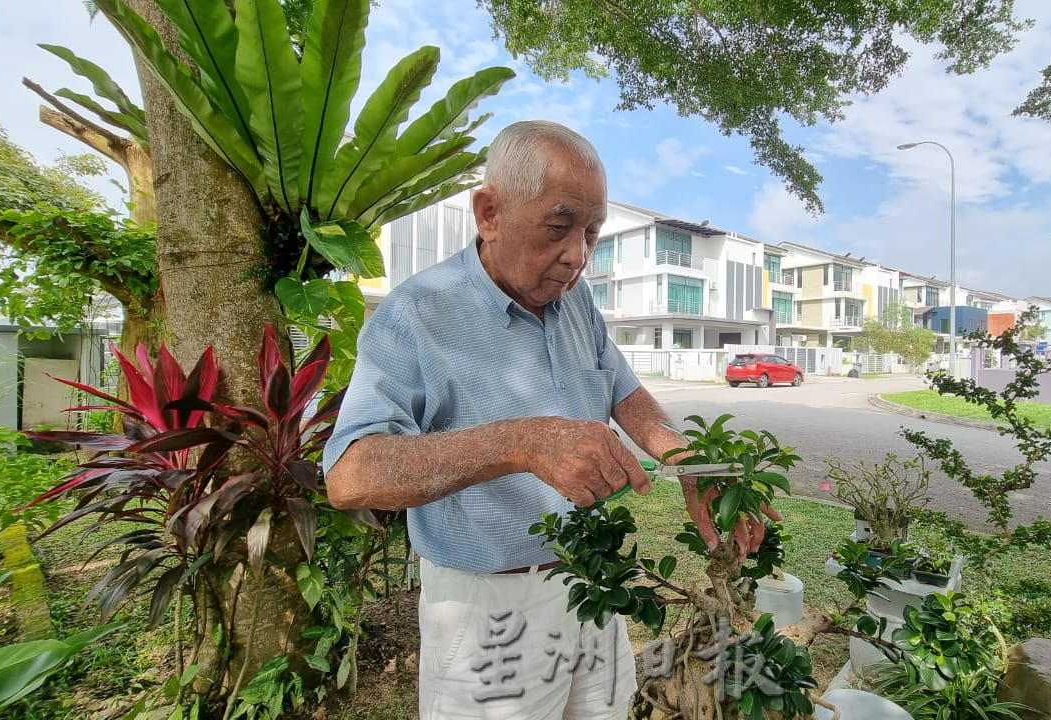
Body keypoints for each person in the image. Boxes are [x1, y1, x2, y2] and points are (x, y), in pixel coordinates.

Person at [323, 120, 772, 720]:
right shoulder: (416, 314)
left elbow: (624, 392)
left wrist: (687, 459)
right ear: (490, 213)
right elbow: (350, 475)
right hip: (487, 608)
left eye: (592, 233)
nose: (577, 257)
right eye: (559, 228)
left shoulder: (575, 300)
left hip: (593, 587)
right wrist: (522, 442)